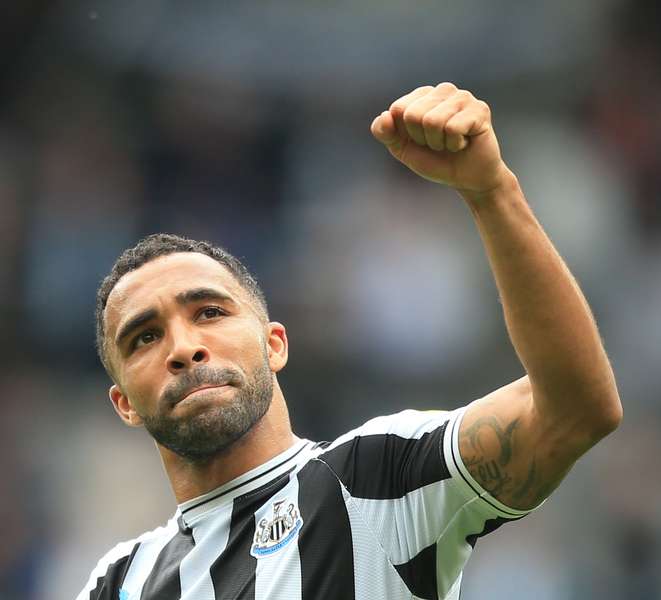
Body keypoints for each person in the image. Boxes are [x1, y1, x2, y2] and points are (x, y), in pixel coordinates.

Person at [77, 82, 622, 600]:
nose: (183, 347)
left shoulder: (375, 478)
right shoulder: (122, 581)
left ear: (275, 345)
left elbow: (574, 410)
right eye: (144, 337)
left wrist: (492, 192)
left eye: (211, 312)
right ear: (124, 403)